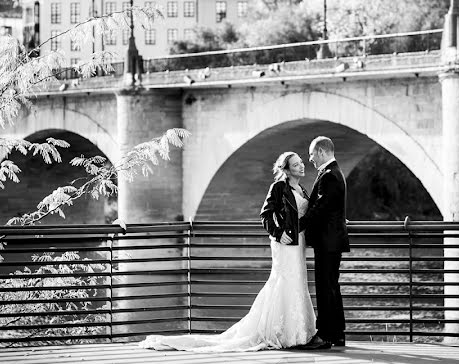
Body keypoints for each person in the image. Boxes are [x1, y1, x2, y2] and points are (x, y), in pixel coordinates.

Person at [138, 152, 315, 352]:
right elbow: (265, 215)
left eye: (301, 162)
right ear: (286, 169)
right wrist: (278, 233)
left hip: (299, 243)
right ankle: (280, 332)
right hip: (284, 243)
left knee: (297, 281)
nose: (302, 166)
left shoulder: (302, 189)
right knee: (283, 281)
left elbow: (308, 216)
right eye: (296, 164)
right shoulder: (278, 188)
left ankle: (297, 330)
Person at [298, 136, 350, 350]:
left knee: (325, 288)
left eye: (311, 154)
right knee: (331, 288)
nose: (310, 159)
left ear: (320, 151)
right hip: (332, 240)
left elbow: (320, 208)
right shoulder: (335, 173)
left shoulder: (329, 176)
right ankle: (337, 333)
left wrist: (298, 224)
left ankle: (325, 335)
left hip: (327, 242)